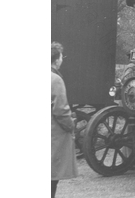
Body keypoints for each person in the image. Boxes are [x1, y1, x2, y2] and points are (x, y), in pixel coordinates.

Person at [51, 42, 78, 197]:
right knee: (51, 179)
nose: (62, 59)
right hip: (54, 136)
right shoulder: (55, 80)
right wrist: (71, 125)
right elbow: (61, 111)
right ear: (56, 60)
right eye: (62, 57)